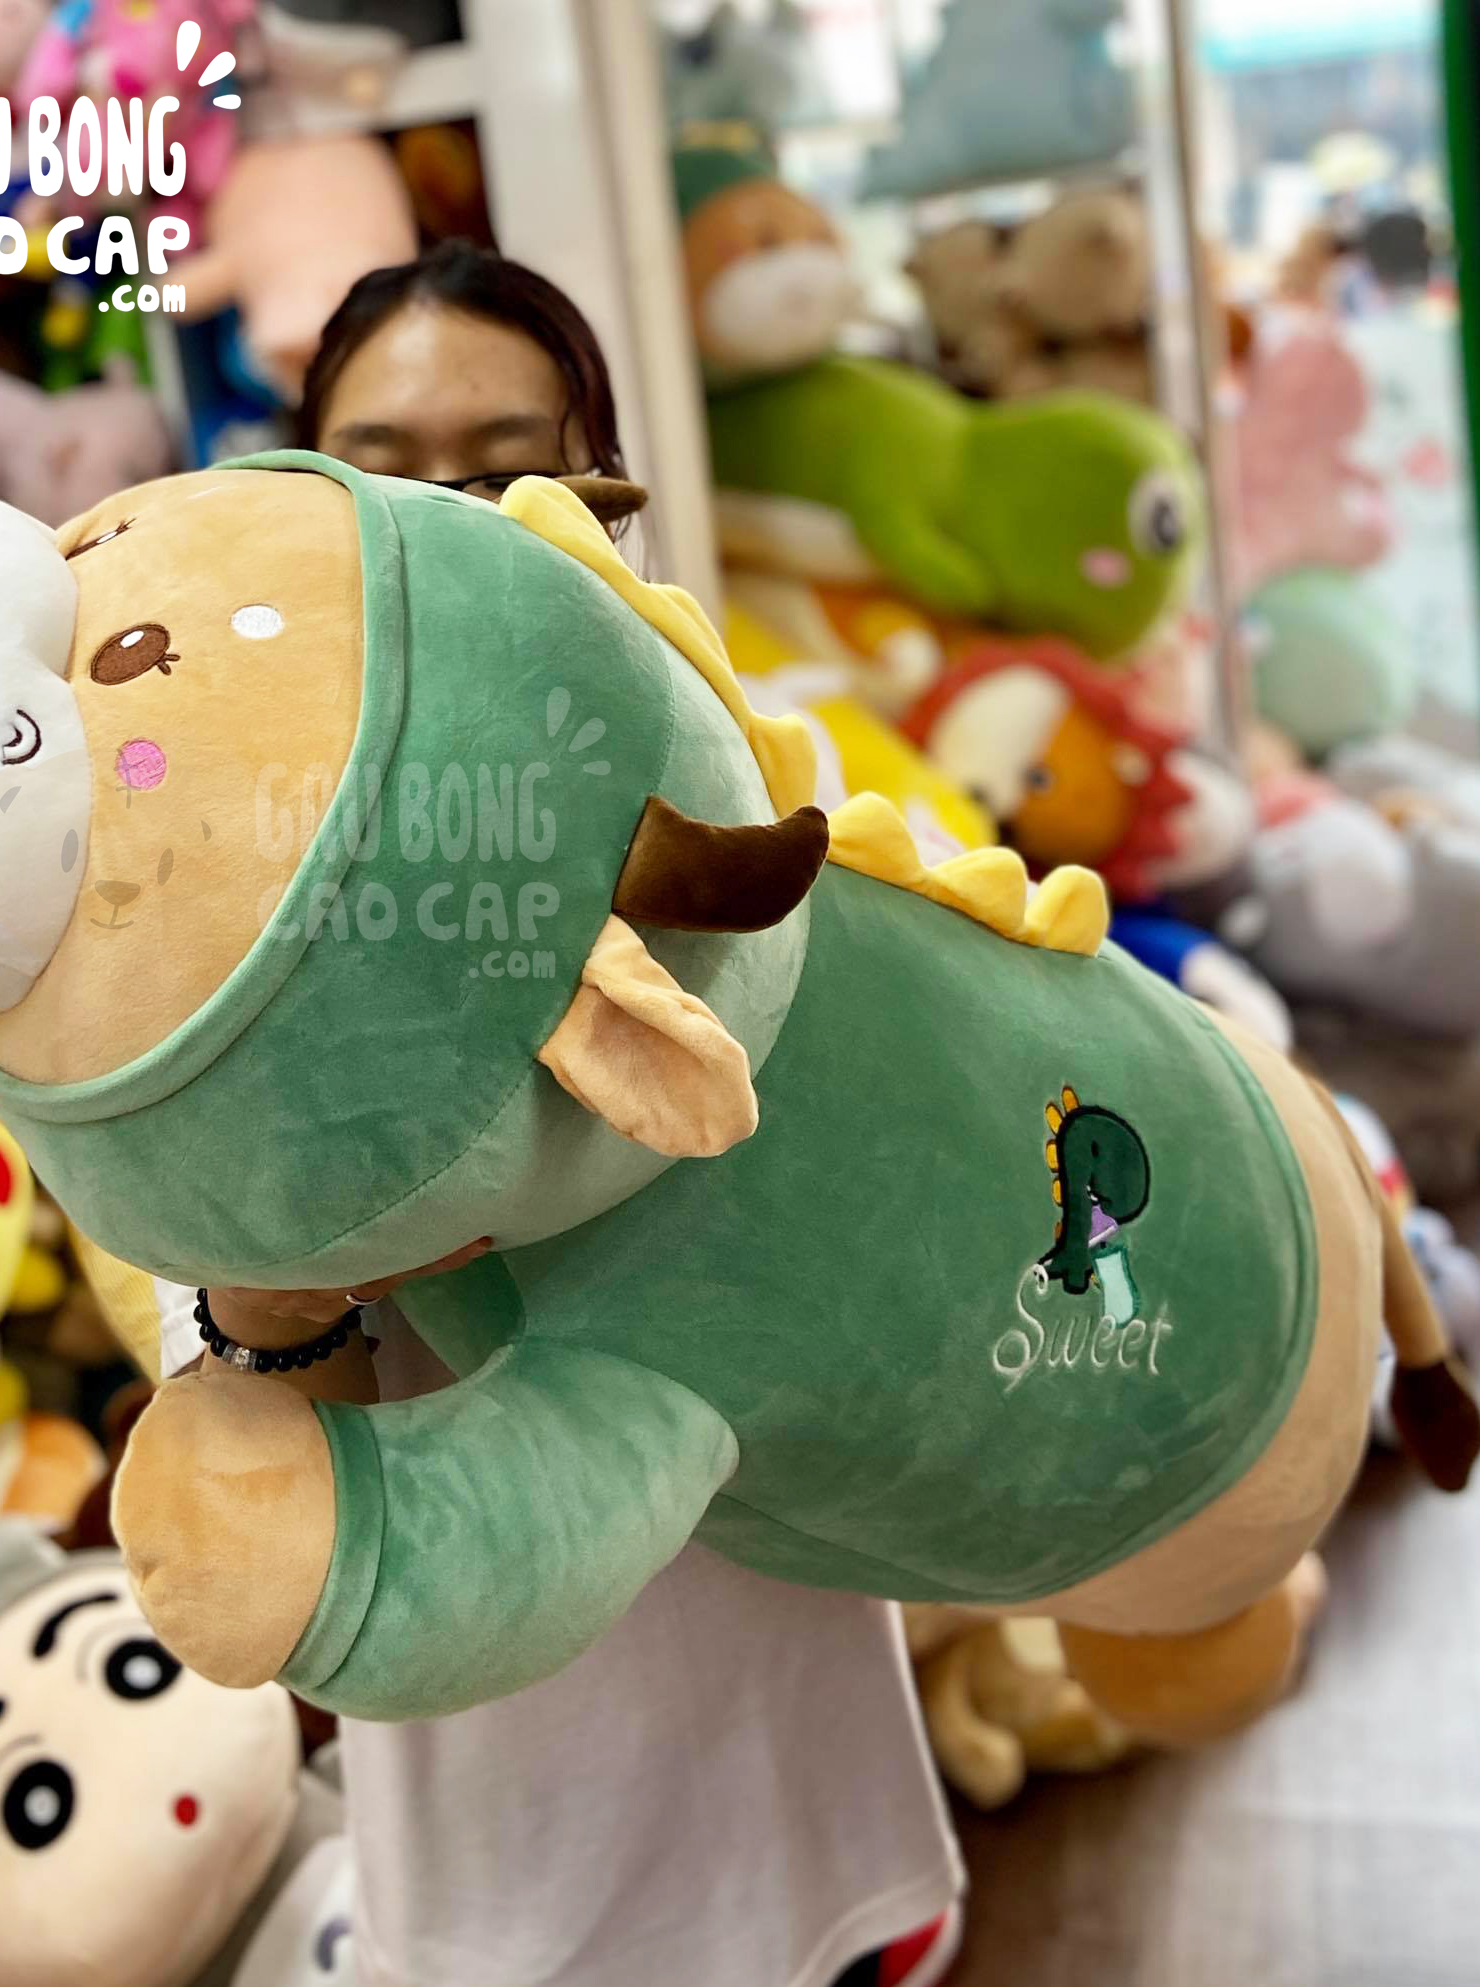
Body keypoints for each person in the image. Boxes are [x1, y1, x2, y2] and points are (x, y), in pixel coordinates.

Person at [164, 242, 966, 1987]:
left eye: (505, 469)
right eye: (383, 471)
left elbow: (894, 1195)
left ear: (605, 494)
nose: (443, 526)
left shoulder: (761, 800)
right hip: (495, 1827)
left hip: (792, 1745)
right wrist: (275, 1290)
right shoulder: (221, 890)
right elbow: (251, 1434)